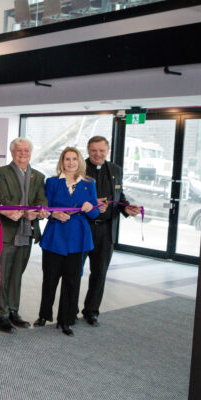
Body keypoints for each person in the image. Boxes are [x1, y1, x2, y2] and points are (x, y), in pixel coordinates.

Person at [36, 147, 98, 337]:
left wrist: (90, 208)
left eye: (74, 159)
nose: (71, 163)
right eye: (67, 159)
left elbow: (95, 213)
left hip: (78, 239)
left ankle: (66, 320)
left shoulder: (89, 183)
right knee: (50, 279)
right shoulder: (52, 182)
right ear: (62, 162)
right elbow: (45, 208)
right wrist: (54, 214)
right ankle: (44, 315)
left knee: (72, 281)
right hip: (55, 236)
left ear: (80, 161)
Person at [81, 136, 141, 326]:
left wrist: (126, 208)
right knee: (74, 272)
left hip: (106, 230)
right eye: (93, 150)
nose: (97, 154)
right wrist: (92, 204)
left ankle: (91, 311)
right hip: (83, 228)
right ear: (88, 150)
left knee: (100, 273)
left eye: (101, 150)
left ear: (108, 151)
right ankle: (69, 310)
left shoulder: (115, 170)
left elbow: (118, 196)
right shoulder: (79, 168)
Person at [0, 138, 49, 333]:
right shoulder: (1, 173)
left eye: (26, 150)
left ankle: (13, 311)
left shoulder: (38, 176)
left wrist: (39, 211)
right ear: (12, 152)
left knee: (17, 274)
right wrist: (27, 211)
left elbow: (42, 200)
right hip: (8, 231)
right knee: (3, 275)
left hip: (27, 232)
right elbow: (2, 198)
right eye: (18, 150)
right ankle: (1, 314)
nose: (23, 153)